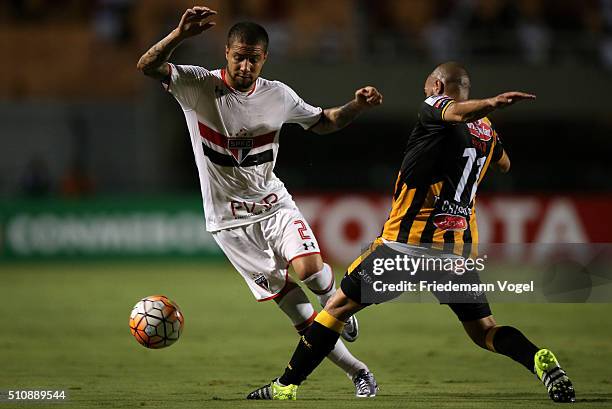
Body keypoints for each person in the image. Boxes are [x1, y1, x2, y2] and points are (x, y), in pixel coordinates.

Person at [247, 62, 575, 403]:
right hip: (455, 253)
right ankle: (537, 360)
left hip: (406, 245)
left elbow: (451, 112)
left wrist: (491, 102)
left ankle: (286, 385)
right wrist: (479, 132)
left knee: (336, 309)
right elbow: (504, 163)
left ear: (436, 84)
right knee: (485, 330)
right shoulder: (486, 131)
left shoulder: (435, 104)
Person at [136, 6, 383, 397]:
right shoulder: (198, 85)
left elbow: (325, 122)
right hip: (229, 225)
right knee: (300, 315)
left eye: (254, 58)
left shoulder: (278, 95)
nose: (246, 65)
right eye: (239, 56)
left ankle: (336, 306)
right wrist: (179, 35)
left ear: (264, 58)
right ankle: (359, 373)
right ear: (227, 53)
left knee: (310, 268)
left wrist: (356, 106)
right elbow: (148, 66)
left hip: (273, 205)